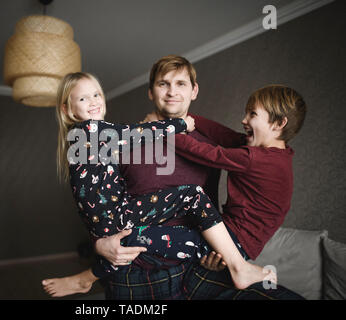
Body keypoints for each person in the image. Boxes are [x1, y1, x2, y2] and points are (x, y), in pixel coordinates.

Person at [42, 71, 274, 297]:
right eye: (83, 98)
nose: (93, 102)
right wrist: (180, 125)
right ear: (67, 109)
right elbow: (135, 133)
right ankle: (239, 267)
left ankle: (88, 278)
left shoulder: (93, 140)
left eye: (97, 95)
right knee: (191, 195)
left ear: (194, 90)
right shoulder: (89, 131)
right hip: (119, 229)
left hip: (140, 236)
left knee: (166, 238)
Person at [94, 55, 305, 300]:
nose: (172, 91)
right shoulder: (122, 143)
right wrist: (99, 244)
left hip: (197, 266)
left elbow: (209, 207)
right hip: (135, 272)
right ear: (151, 92)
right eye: (163, 83)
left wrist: (220, 253)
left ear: (193, 91)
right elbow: (98, 202)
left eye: (181, 84)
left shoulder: (223, 149)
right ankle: (88, 277)